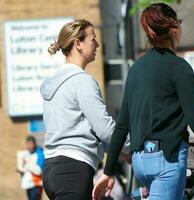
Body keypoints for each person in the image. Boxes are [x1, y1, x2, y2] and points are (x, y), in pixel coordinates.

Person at [92, 3, 194, 200]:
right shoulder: (179, 68)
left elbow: (122, 125)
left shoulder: (136, 70)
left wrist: (108, 172)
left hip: (140, 161)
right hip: (166, 161)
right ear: (174, 28)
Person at [40, 19, 127, 200]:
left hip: (52, 170)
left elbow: (90, 132)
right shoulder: (82, 82)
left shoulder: (54, 83)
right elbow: (105, 129)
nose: (97, 44)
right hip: (73, 170)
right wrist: (136, 146)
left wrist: (122, 151)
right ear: (78, 44)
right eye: (93, 39)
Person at [17, 136, 44, 200]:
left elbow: (39, 171)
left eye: (30, 144)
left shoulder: (40, 154)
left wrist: (28, 163)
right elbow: (27, 170)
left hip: (36, 185)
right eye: (27, 144)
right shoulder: (27, 154)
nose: (29, 146)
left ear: (34, 143)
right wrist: (21, 171)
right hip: (28, 184)